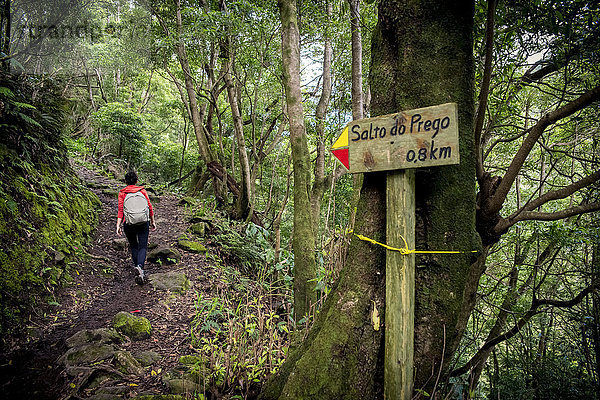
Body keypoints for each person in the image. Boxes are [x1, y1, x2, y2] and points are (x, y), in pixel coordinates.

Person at [116, 170, 157, 284]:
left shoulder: (122, 193)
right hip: (143, 222)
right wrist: (153, 221)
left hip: (128, 223)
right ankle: (140, 267)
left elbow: (120, 210)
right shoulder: (142, 190)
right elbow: (149, 206)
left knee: (134, 246)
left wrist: (118, 225)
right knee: (143, 246)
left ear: (125, 181)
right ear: (137, 181)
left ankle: (137, 268)